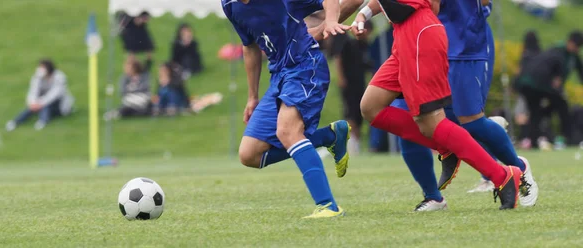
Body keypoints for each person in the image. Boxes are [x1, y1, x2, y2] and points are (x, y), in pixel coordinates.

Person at [351, 0, 522, 210]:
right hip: (405, 38)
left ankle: (503, 176)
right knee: (371, 106)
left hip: (421, 37)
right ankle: (445, 146)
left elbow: (417, 6)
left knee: (434, 123)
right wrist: (363, 14)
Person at [222, 0, 354, 218]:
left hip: (305, 66)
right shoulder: (229, 5)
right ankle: (329, 136)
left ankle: (328, 206)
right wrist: (252, 96)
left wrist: (329, 22)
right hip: (279, 76)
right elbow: (249, 46)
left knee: (287, 131)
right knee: (249, 154)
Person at [515, 30, 583, 149]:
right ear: (569, 42)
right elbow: (553, 73)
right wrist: (557, 82)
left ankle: (534, 141)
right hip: (537, 84)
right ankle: (569, 138)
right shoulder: (557, 51)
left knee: (538, 112)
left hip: (538, 85)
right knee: (560, 105)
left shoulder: (573, 56)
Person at [330, 20, 374, 155]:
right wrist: (341, 77)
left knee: (358, 113)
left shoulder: (363, 45)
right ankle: (349, 143)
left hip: (360, 83)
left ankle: (356, 144)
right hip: (349, 83)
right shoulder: (347, 42)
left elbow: (367, 64)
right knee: (350, 113)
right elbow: (338, 58)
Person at [6, 59, 74, 131]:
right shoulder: (38, 77)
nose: (40, 69)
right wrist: (32, 103)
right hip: (42, 101)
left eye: (42, 67)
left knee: (45, 106)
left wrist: (40, 103)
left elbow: (54, 94)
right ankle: (15, 122)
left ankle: (43, 121)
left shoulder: (59, 77)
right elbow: (33, 91)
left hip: (58, 105)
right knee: (32, 108)